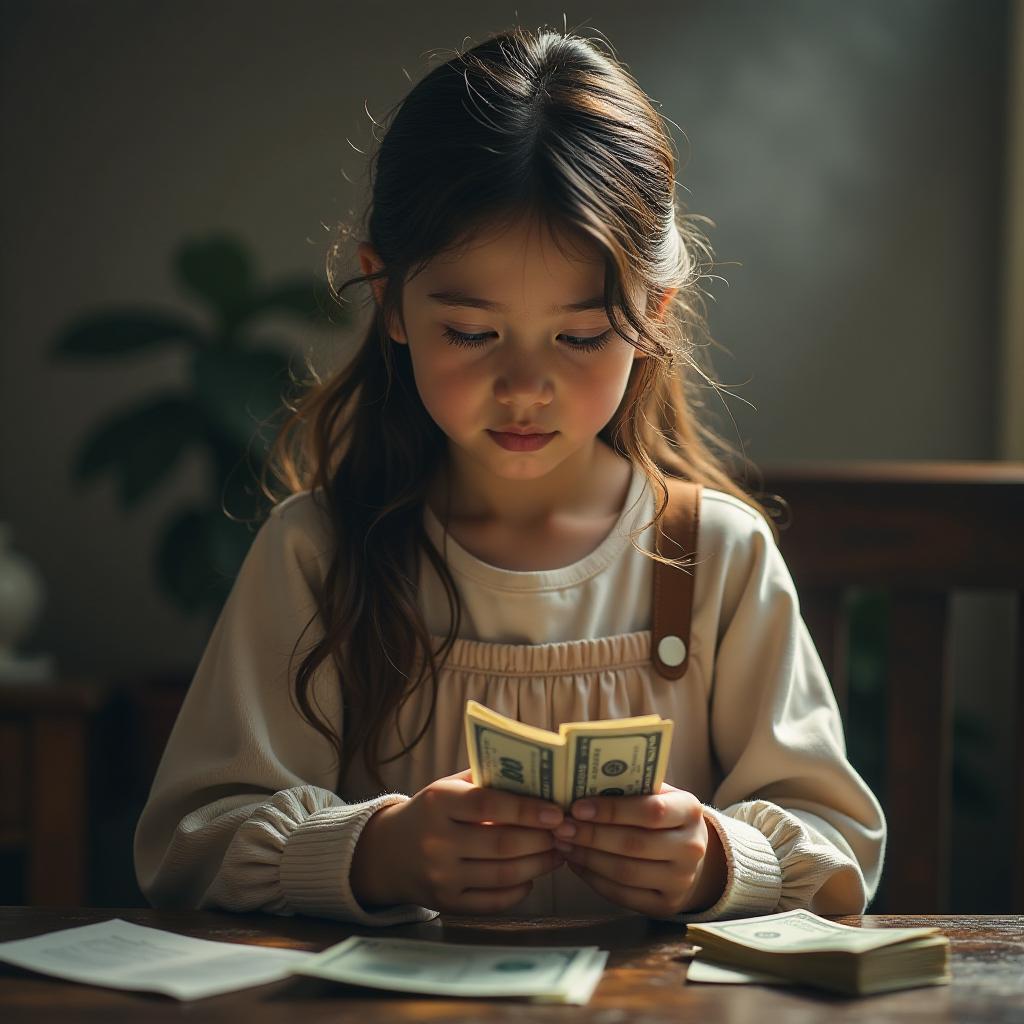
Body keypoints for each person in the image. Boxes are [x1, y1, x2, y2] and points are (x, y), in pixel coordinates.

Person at [134, 24, 886, 927]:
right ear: (389, 298)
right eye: (471, 332)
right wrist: (376, 854)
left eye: (579, 337)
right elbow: (188, 842)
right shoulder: (320, 553)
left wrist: (719, 863)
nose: (526, 388)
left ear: (653, 313)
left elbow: (838, 849)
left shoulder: (714, 558)